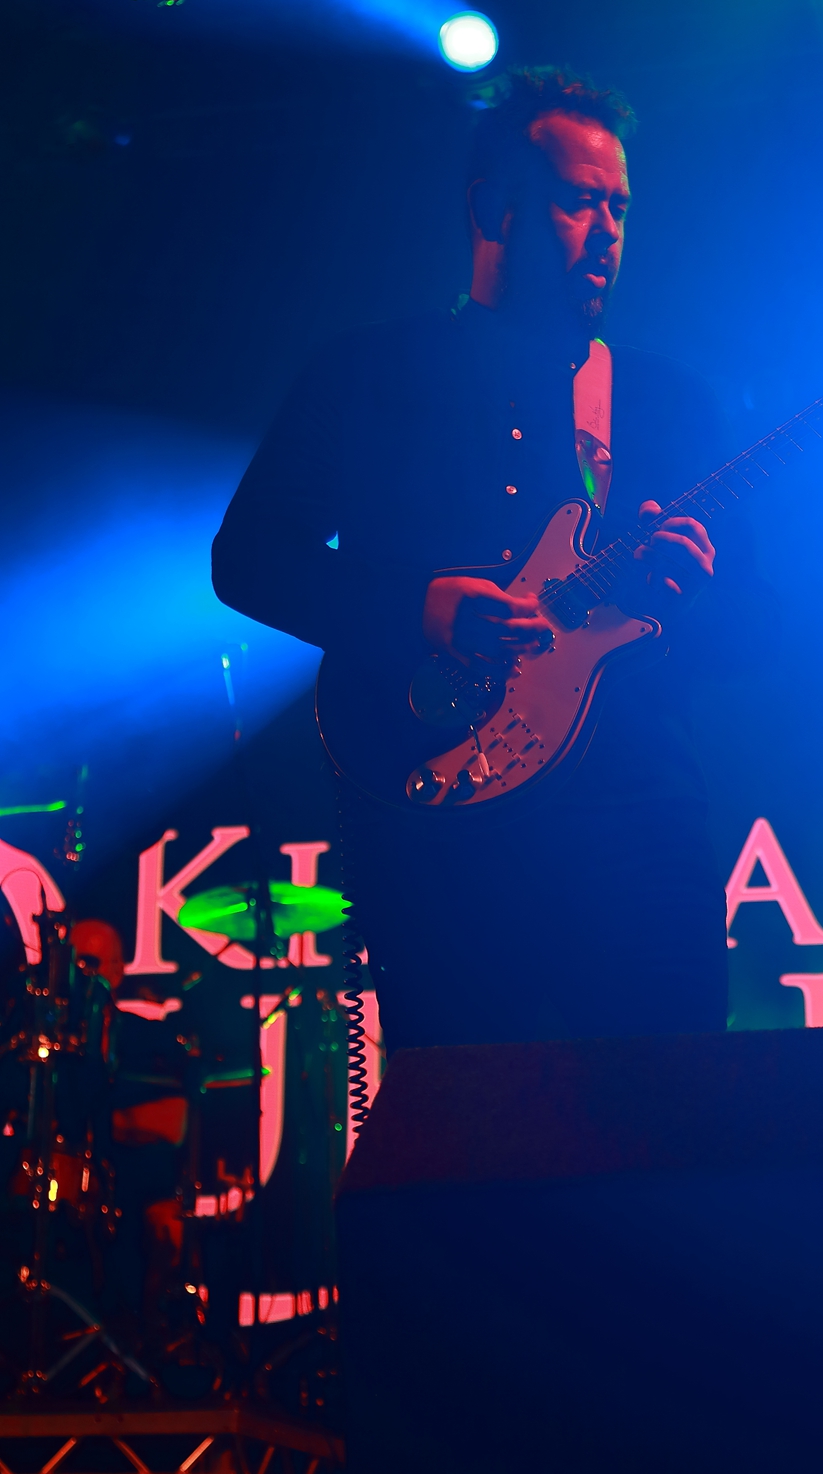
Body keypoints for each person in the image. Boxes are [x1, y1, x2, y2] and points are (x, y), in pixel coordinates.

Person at [213, 67, 763, 1051]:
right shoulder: (366, 375)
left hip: (636, 821)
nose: (607, 233)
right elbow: (248, 558)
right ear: (493, 208)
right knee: (468, 1111)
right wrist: (421, 611)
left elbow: (758, 635)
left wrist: (692, 596)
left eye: (620, 208)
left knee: (672, 1104)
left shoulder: (668, 401)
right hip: (441, 818)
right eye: (577, 202)